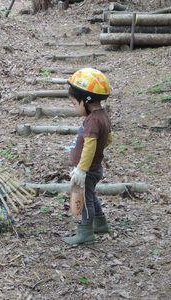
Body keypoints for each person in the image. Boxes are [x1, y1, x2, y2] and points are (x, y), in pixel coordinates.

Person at [65, 68, 113, 245]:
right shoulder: (103, 116)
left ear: (85, 100)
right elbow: (108, 138)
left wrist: (81, 169)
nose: (74, 108)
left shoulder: (92, 120)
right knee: (91, 195)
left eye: (74, 103)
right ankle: (100, 223)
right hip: (94, 168)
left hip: (87, 170)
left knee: (85, 199)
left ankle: (85, 231)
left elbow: (91, 145)